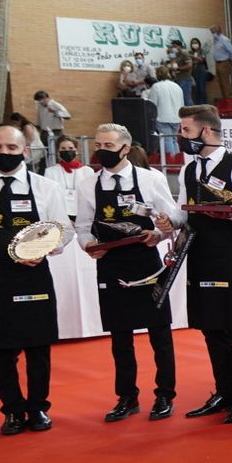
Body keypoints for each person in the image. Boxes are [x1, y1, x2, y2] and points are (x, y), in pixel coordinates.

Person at [161, 105, 232, 424]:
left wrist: (231, 213)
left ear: (206, 131)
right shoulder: (188, 169)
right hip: (200, 257)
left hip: (231, 258)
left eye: (186, 131)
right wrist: (170, 221)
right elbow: (186, 212)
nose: (181, 137)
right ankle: (222, 392)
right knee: (211, 329)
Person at [75, 123, 183, 422]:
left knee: (159, 333)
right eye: (98, 145)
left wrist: (159, 234)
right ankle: (126, 397)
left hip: (146, 263)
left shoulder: (151, 179)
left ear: (125, 148)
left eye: (108, 146)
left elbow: (171, 216)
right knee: (119, 336)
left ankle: (164, 395)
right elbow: (82, 226)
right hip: (110, 264)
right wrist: (89, 244)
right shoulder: (87, 184)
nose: (101, 151)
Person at [0, 126, 69, 434]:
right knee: (0, 351)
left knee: (38, 348)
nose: (4, 153)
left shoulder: (45, 187)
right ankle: (12, 410)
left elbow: (63, 229)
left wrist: (45, 249)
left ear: (25, 151)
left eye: (11, 148)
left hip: (33, 277)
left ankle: (38, 407)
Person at [42, 135, 90, 219]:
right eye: (63, 148)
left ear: (76, 150)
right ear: (58, 151)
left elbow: (90, 196)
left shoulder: (87, 171)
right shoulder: (50, 171)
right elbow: (48, 197)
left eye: (71, 148)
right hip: (59, 214)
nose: (67, 151)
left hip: (82, 214)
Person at [148, 67, 184, 164]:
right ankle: (178, 161)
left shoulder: (156, 87)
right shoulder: (177, 86)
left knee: (167, 140)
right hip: (177, 117)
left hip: (162, 117)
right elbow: (182, 103)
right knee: (174, 140)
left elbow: (152, 104)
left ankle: (171, 162)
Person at [33, 91, 70, 169]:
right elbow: (40, 119)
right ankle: (43, 169)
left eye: (41, 100)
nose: (40, 102)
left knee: (54, 152)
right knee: (43, 153)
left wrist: (55, 112)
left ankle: (56, 168)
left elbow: (67, 116)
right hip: (44, 132)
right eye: (38, 101)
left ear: (46, 98)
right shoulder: (40, 106)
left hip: (55, 131)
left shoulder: (55, 104)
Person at [210, 26, 232, 100]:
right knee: (220, 82)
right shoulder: (216, 40)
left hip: (224, 62)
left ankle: (229, 98)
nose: (212, 33)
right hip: (218, 63)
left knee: (225, 81)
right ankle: (225, 97)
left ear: (218, 31)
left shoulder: (224, 39)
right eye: (211, 32)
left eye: (213, 32)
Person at [167, 40, 195, 106]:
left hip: (185, 80)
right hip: (177, 79)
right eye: (172, 47)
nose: (173, 48)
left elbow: (189, 65)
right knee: (180, 99)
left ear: (180, 46)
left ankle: (192, 114)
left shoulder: (184, 54)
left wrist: (178, 68)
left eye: (175, 46)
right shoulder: (175, 55)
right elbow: (172, 65)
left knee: (186, 99)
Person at [188, 38, 212, 107]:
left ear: (199, 43)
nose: (194, 44)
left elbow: (201, 59)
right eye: (193, 43)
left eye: (196, 43)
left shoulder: (202, 51)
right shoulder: (190, 52)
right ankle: (198, 105)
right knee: (196, 90)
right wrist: (195, 60)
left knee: (202, 89)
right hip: (194, 73)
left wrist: (193, 58)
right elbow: (190, 62)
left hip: (202, 72)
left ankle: (205, 105)